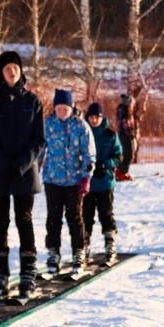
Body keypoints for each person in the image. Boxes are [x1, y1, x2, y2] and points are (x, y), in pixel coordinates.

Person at [0, 51, 45, 300]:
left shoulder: (33, 101)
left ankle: (28, 272)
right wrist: (3, 163)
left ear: (21, 70)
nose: (12, 72)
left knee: (24, 219)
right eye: (7, 68)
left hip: (25, 173)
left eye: (15, 67)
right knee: (0, 220)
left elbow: (39, 139)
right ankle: (0, 273)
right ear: (0, 72)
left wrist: (22, 164)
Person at [41, 89, 96, 275]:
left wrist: (86, 176)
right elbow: (40, 150)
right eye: (58, 108)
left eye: (65, 108)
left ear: (71, 108)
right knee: (53, 218)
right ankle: (53, 253)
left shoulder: (80, 125)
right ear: (54, 108)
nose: (62, 111)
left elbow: (89, 152)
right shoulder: (47, 124)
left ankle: (78, 252)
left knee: (74, 218)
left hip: (74, 180)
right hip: (52, 179)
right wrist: (31, 170)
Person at [83, 103, 123, 265]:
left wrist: (105, 164)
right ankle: (84, 246)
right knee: (86, 215)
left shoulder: (110, 135)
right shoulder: (83, 132)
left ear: (102, 117)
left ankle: (110, 245)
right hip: (87, 182)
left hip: (105, 181)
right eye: (91, 117)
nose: (94, 120)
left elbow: (119, 156)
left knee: (105, 214)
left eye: (97, 117)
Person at [115, 94, 136, 181]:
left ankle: (119, 172)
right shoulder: (126, 113)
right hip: (126, 136)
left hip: (121, 135)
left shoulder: (120, 111)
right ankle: (123, 173)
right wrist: (131, 136)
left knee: (123, 154)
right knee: (129, 155)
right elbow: (126, 126)